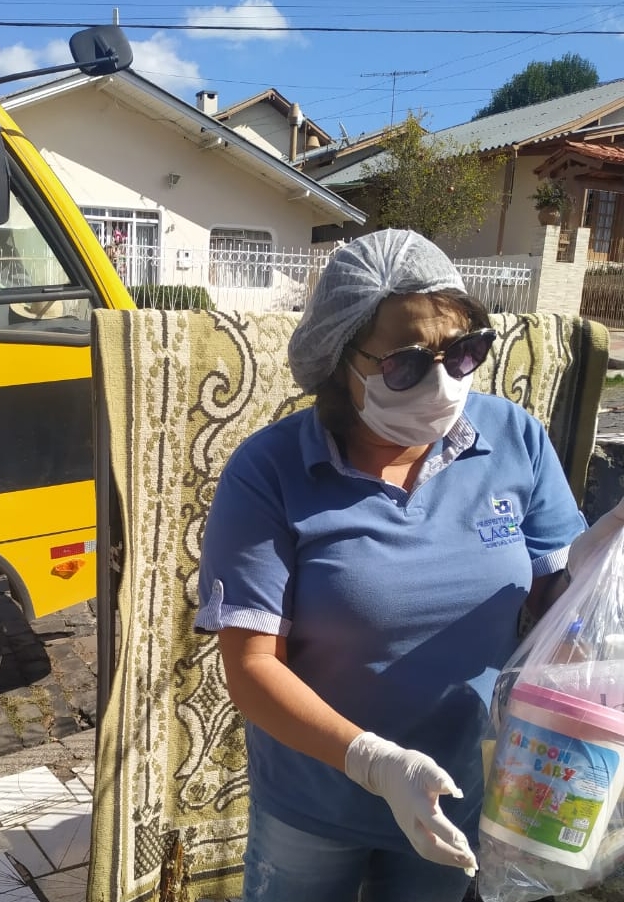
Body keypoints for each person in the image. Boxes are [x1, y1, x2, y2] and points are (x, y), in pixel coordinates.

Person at [194, 229, 605, 902]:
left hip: (460, 792)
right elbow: (251, 667)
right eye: (408, 365)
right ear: (339, 359)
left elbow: (561, 596)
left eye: (464, 353)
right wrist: (375, 763)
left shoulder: (512, 439)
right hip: (315, 802)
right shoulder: (271, 471)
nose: (443, 385)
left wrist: (603, 558)